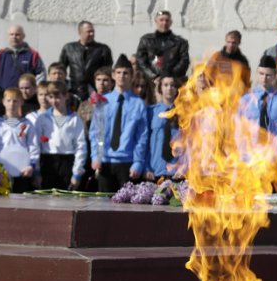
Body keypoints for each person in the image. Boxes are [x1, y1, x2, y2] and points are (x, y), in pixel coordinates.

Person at [90, 54, 148, 193]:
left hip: (127, 163)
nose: (122, 76)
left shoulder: (138, 103)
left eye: (126, 73)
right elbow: (97, 132)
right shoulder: (103, 101)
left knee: (127, 209)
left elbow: (142, 136)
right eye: (119, 72)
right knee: (103, 207)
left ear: (132, 76)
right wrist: (96, 156)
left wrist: (138, 162)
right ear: (113, 75)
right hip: (105, 161)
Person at [34, 80, 87, 190]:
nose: (54, 101)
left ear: (66, 96)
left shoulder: (75, 119)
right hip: (48, 162)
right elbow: (36, 145)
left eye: (58, 97)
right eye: (51, 97)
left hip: (67, 162)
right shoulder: (42, 118)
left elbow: (80, 146)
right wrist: (36, 171)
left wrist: (76, 173)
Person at [0, 88, 40, 193]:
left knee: (20, 199)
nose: (12, 104)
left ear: (21, 102)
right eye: (9, 100)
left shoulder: (27, 124)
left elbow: (33, 146)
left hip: (22, 166)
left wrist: (31, 165)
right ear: (3, 102)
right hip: (1, 166)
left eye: (15, 101)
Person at [238, 55, 277, 148]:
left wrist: (274, 145)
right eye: (261, 74)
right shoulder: (246, 99)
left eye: (268, 75)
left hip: (274, 152)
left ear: (274, 75)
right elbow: (239, 127)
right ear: (257, 73)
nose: (264, 78)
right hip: (250, 152)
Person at [59, 21, 113, 101]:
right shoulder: (69, 48)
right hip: (73, 90)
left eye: (93, 31)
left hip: (94, 90)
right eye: (89, 31)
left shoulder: (103, 49)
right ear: (80, 32)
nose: (92, 34)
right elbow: (61, 69)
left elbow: (107, 71)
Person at [144, 73, 182, 181]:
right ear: (160, 88)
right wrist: (146, 167)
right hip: (155, 170)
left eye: (172, 85)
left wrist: (184, 168)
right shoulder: (151, 111)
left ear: (177, 89)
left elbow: (189, 144)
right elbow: (145, 142)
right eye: (165, 85)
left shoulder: (184, 112)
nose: (169, 88)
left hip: (176, 172)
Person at [136, 10, 190, 83]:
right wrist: (153, 77)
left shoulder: (180, 43)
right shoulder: (146, 40)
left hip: (172, 83)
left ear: (171, 22)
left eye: (167, 20)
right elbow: (140, 61)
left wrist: (168, 76)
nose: (164, 23)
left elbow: (184, 62)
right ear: (156, 21)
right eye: (161, 20)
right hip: (150, 83)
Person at [0, 24, 46, 90]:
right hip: (4, 95)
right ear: (8, 36)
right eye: (11, 34)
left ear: (23, 36)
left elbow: (41, 74)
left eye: (17, 34)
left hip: (25, 96)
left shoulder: (33, 55)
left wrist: (34, 91)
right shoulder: (0, 55)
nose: (14, 37)